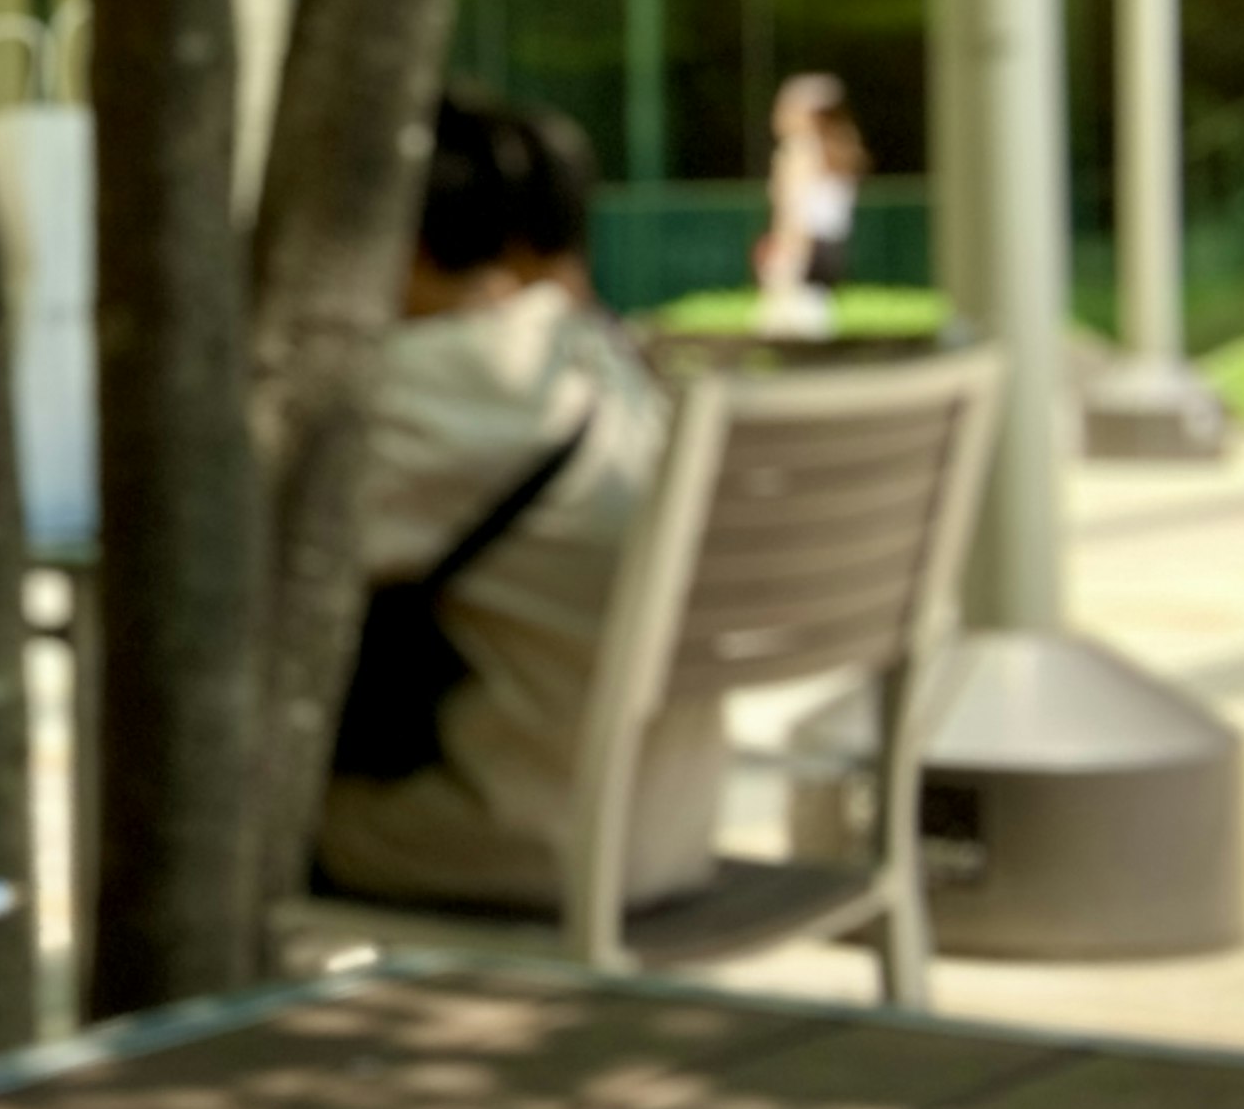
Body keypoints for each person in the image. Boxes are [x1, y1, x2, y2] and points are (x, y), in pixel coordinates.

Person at [318, 93, 726, 915]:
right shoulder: (598, 357)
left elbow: (243, 574)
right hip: (674, 832)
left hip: (520, 839)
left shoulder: (421, 391)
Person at [752, 71, 868, 338]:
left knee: (780, 332)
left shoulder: (798, 150)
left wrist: (783, 258)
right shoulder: (836, 150)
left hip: (803, 251)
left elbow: (794, 212)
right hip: (830, 251)